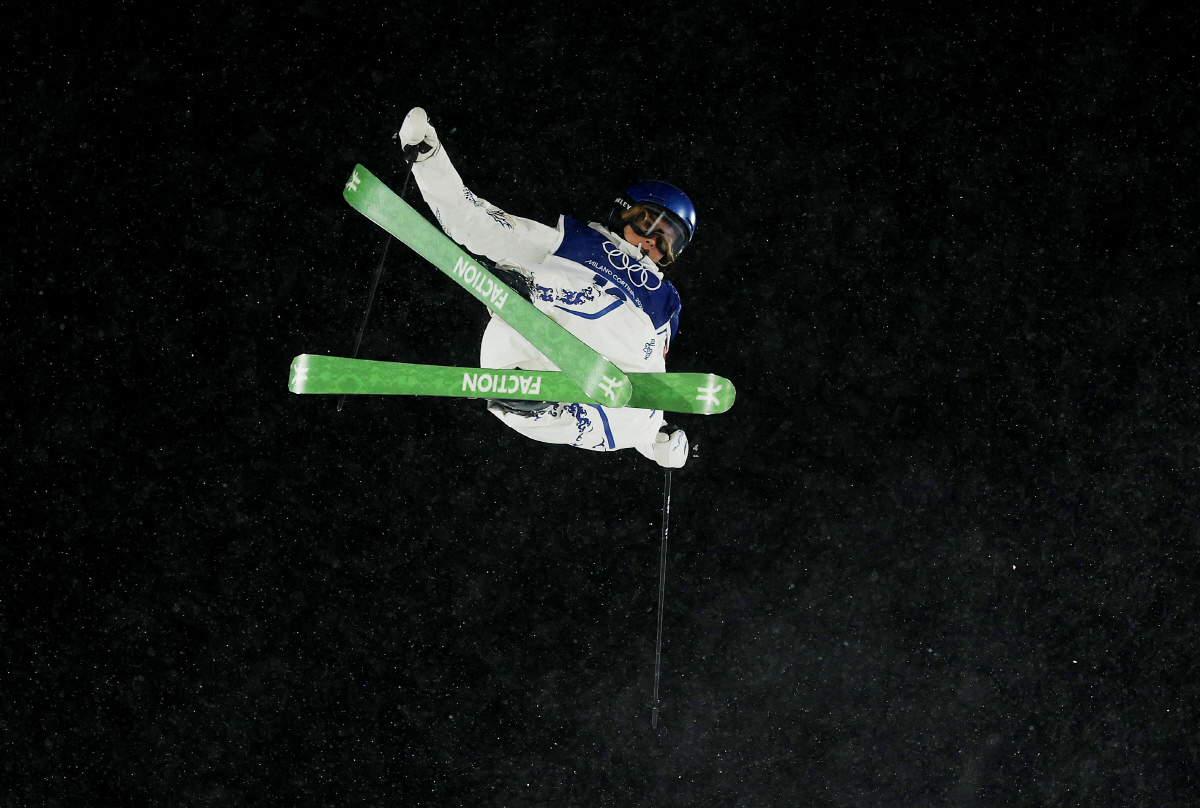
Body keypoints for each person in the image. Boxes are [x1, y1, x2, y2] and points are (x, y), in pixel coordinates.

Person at [398, 107, 695, 468]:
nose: (652, 243)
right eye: (648, 225)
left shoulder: (664, 299)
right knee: (504, 352)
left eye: (668, 242)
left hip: (615, 378)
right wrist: (428, 158)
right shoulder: (575, 243)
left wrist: (656, 439)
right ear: (623, 212)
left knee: (628, 417)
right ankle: (522, 378)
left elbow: (649, 374)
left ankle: (531, 332)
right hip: (550, 343)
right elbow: (474, 222)